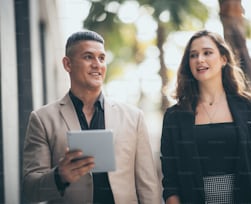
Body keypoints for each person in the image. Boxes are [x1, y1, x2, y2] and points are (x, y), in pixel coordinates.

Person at [23, 30, 161, 204]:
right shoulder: (42, 119)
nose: (97, 64)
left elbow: (148, 186)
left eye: (101, 58)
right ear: (67, 64)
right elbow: (30, 189)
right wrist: (59, 176)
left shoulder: (134, 118)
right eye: (88, 57)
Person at [160, 30, 251, 204]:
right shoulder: (174, 117)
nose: (200, 59)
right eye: (193, 55)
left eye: (207, 52)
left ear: (224, 59)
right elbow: (171, 184)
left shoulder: (250, 108)